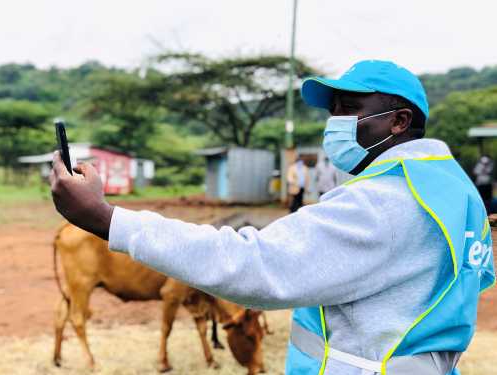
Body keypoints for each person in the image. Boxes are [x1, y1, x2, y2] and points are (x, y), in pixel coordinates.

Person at [50, 60, 495, 375]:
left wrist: (108, 219)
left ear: (399, 121)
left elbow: (256, 263)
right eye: (331, 109)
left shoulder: (386, 202)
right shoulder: (455, 190)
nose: (333, 122)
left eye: (348, 108)